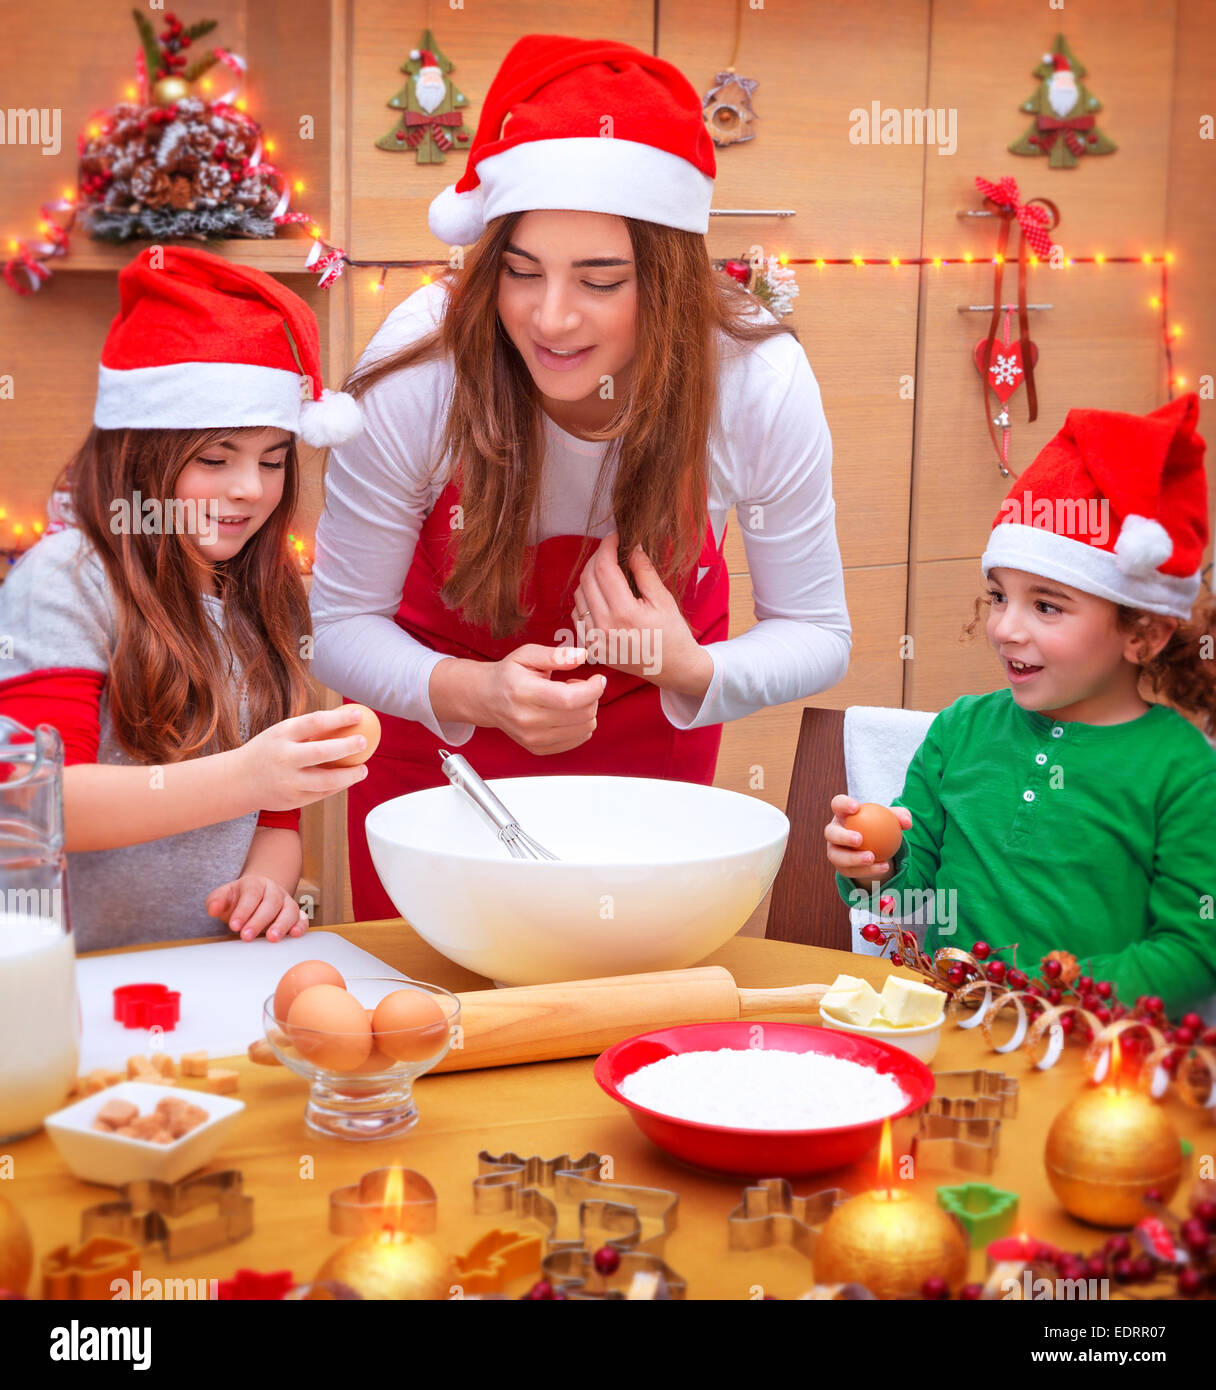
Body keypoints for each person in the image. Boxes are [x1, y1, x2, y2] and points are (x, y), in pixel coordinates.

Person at [309, 34, 852, 918]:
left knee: (624, 1011)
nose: (550, 319)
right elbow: (337, 627)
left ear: (670, 280)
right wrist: (474, 693)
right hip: (442, 744)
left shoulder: (754, 378)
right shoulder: (423, 367)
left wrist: (691, 670)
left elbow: (819, 633)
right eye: (521, 273)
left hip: (650, 739)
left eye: (600, 281)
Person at [0, 247, 369, 952]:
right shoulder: (65, 579)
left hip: (205, 970)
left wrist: (266, 885)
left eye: (272, 459)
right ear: (140, 453)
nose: (251, 489)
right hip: (66, 977)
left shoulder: (262, 595)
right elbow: (43, 802)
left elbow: (276, 821)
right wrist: (248, 775)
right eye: (215, 458)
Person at [825, 395, 1216, 1015]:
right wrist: (877, 863)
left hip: (1093, 1061)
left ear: (1143, 632)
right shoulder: (963, 730)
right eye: (999, 595)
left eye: (1047, 604)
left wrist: (1045, 996)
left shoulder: (1183, 770)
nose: (1005, 627)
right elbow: (907, 888)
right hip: (956, 1025)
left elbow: (1194, 948)